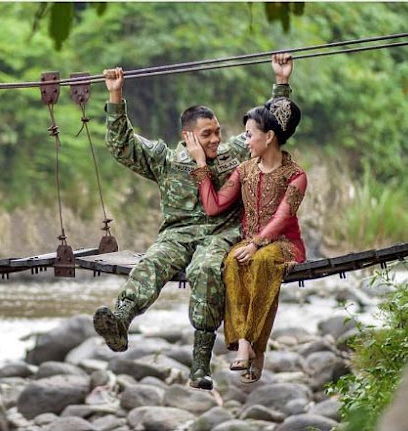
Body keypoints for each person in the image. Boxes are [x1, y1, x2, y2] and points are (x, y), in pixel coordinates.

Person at [93, 54, 293, 390]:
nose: (215, 139)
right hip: (177, 233)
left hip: (221, 234)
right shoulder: (167, 159)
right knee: (153, 261)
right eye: (207, 134)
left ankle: (200, 364)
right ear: (188, 136)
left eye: (217, 132)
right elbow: (123, 145)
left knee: (205, 270)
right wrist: (115, 96)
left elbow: (273, 125)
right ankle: (121, 320)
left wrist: (281, 81)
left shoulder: (234, 153)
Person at [185, 55, 306, 384]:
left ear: (269, 137)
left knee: (263, 261)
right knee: (233, 263)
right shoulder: (245, 170)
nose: (245, 139)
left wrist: (255, 243)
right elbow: (214, 206)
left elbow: (283, 218)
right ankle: (245, 345)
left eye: (250, 134)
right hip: (248, 243)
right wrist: (199, 165)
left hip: (283, 245)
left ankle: (253, 346)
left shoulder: (295, 175)